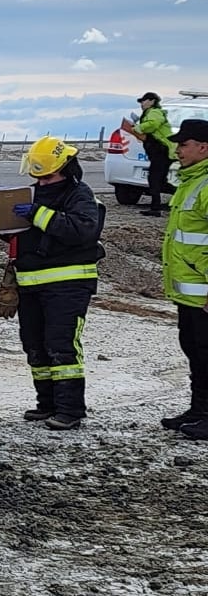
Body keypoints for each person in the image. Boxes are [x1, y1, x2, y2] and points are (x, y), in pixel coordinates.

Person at [8, 136, 104, 430]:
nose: (43, 183)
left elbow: (81, 230)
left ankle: (70, 410)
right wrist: (7, 225)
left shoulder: (81, 196)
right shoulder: (30, 194)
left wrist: (38, 214)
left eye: (48, 176)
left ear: (66, 169)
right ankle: (46, 404)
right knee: (34, 345)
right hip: (31, 283)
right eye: (39, 177)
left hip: (69, 283)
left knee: (61, 345)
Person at [158, 119, 208, 439]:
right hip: (189, 292)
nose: (178, 150)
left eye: (184, 144)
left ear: (204, 148)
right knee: (195, 350)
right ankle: (199, 410)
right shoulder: (190, 181)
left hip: (204, 294)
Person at [124, 91, 175, 215]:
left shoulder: (155, 112)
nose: (142, 103)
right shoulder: (149, 113)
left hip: (162, 150)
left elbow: (153, 125)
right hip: (159, 151)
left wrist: (137, 128)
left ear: (152, 101)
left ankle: (156, 208)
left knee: (154, 178)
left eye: (144, 100)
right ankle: (173, 199)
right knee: (159, 180)